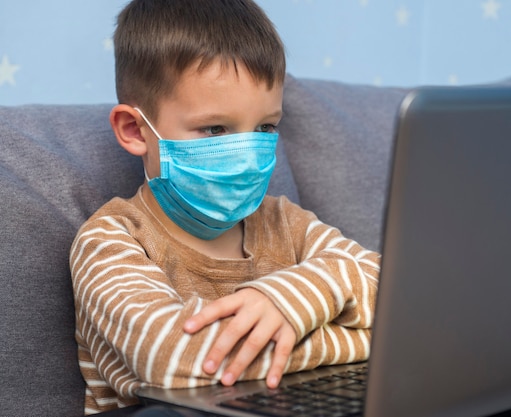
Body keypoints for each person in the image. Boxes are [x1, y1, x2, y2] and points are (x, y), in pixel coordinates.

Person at [69, 0, 380, 414]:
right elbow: (178, 359)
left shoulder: (285, 222)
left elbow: (397, 291)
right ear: (135, 129)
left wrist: (302, 293)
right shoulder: (109, 241)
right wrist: (362, 338)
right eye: (216, 128)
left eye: (266, 128)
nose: (250, 158)